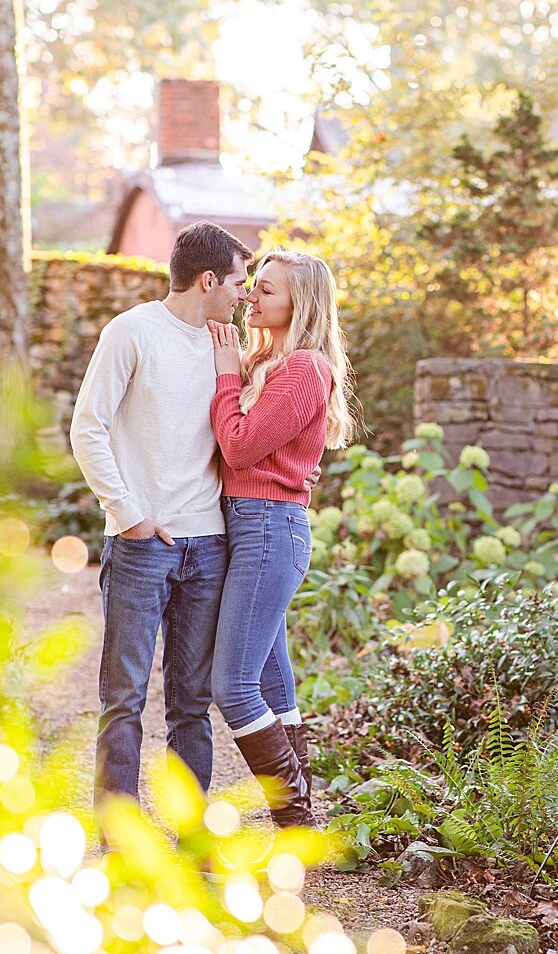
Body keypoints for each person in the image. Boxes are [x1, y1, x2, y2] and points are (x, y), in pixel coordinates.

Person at [69, 221, 251, 808]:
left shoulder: (229, 349)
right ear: (207, 280)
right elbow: (87, 428)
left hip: (210, 545)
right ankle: (118, 833)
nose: (243, 295)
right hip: (141, 545)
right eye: (238, 283)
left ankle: (192, 833)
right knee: (123, 698)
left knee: (192, 704)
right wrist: (127, 515)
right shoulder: (131, 333)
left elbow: (242, 433)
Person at [207, 249, 357, 827]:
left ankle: (295, 818)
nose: (250, 296)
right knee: (270, 680)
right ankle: (300, 822)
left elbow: (240, 447)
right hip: (254, 527)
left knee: (233, 684)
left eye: (265, 291)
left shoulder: (303, 369)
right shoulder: (268, 364)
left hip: (269, 529)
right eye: (254, 287)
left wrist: (225, 373)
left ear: (301, 303)